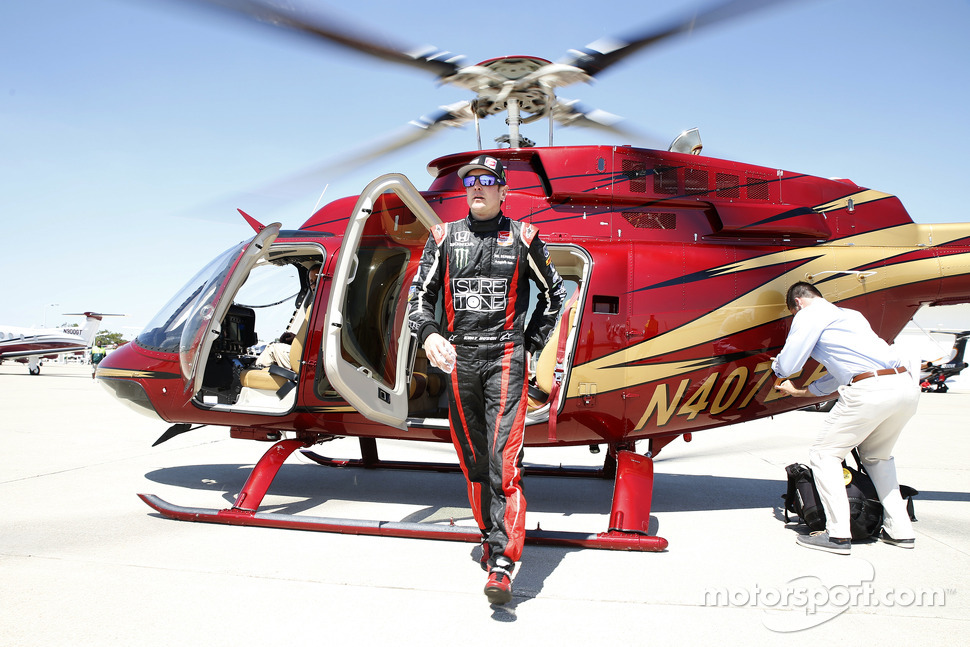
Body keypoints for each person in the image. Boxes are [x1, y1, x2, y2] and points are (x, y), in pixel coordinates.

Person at [408, 154, 565, 604]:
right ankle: (488, 533)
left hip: (506, 355)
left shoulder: (524, 237)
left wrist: (531, 344)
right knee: (474, 459)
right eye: (470, 180)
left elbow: (555, 295)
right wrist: (431, 334)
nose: (476, 186)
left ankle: (503, 561)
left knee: (503, 459)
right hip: (460, 357)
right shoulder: (442, 238)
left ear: (502, 191)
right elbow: (420, 298)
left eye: (486, 180)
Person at [772, 281, 918, 554]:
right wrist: (805, 392)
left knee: (824, 454)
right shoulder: (851, 316)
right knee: (878, 459)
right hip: (905, 386)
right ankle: (900, 531)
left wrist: (777, 370)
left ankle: (838, 535)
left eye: (793, 313)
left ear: (798, 303)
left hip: (871, 390)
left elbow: (790, 364)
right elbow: (843, 372)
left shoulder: (808, 314)